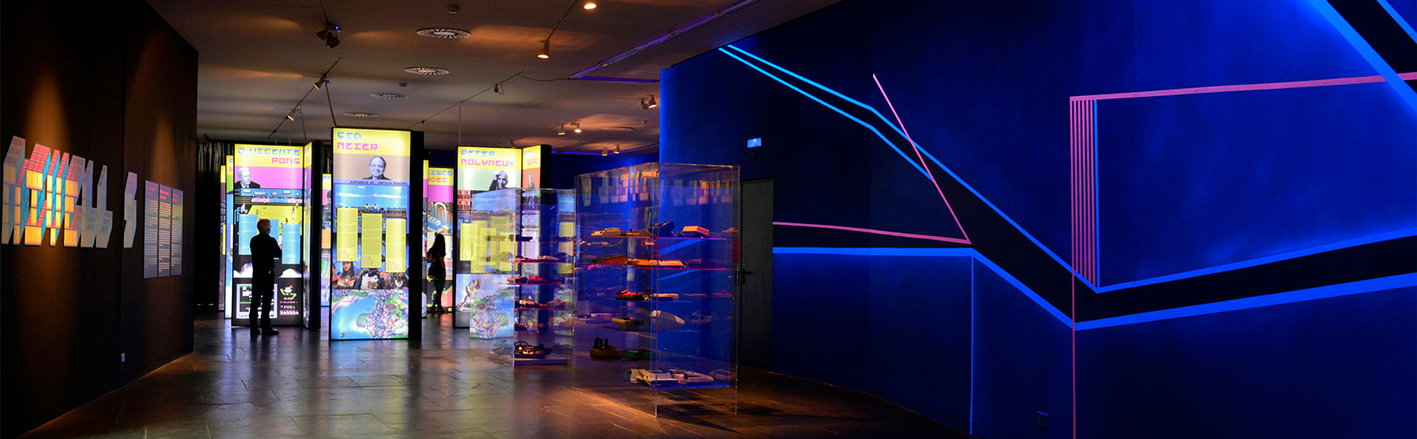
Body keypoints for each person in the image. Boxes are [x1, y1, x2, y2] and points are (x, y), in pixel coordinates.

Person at [249, 219, 282, 337]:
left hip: (257, 274)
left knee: (255, 301)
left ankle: (253, 327)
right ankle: (265, 327)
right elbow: (278, 254)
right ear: (268, 229)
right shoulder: (271, 241)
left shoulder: (253, 240)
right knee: (266, 301)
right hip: (267, 275)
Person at [425, 234, 447, 313]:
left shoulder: (433, 249)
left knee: (438, 289)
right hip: (440, 270)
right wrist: (444, 269)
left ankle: (438, 307)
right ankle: (434, 306)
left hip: (434, 271)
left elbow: (428, 259)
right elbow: (441, 260)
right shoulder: (441, 249)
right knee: (439, 289)